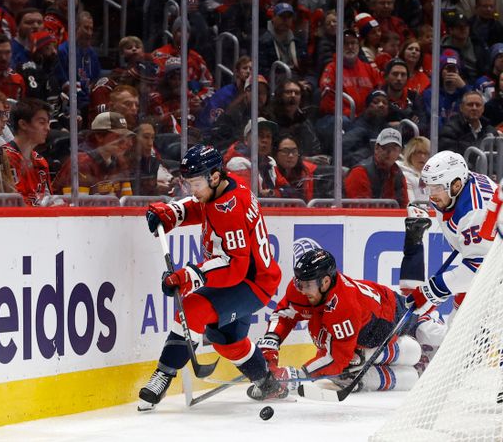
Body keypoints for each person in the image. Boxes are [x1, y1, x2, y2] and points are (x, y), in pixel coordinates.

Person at [137, 144, 283, 411]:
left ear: (214, 177)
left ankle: (162, 376)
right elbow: (202, 205)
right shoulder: (225, 187)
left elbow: (233, 266)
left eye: (195, 182)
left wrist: (188, 276)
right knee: (228, 342)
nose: (192, 189)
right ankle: (267, 381)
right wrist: (173, 213)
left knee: (191, 310)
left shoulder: (230, 208)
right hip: (246, 279)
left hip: (249, 283)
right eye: (188, 182)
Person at [255, 244, 444, 396]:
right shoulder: (303, 288)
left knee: (427, 332)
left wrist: (295, 376)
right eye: (299, 283)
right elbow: (283, 315)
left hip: (389, 316)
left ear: (326, 282)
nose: (302, 290)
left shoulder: (343, 306)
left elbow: (337, 360)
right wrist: (270, 347)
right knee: (346, 371)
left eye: (308, 285)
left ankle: (435, 330)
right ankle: (410, 367)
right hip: (363, 322)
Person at [407, 151, 498, 315]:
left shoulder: (475, 213)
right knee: (458, 316)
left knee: (469, 327)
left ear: (456, 185)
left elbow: (479, 271)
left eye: (436, 188)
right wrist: (437, 293)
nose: (432, 195)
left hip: (496, 275)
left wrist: (436, 289)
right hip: (492, 261)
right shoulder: (457, 189)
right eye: (429, 188)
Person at [53, 112, 134, 197]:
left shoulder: (120, 163)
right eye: (118, 137)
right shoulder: (81, 163)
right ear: (99, 137)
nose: (125, 142)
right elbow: (77, 207)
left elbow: (128, 202)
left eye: (125, 136)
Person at [3, 98, 52, 206]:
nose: (47, 128)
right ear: (23, 124)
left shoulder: (41, 162)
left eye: (48, 123)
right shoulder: (3, 157)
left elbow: (49, 201)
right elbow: (13, 204)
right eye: (42, 122)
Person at [344, 127, 409, 208]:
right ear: (376, 148)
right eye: (385, 147)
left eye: (394, 149)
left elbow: (404, 206)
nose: (389, 152)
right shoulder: (359, 172)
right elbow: (359, 208)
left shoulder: (398, 174)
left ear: (399, 152)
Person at [398, 136, 431, 204]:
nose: (423, 156)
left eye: (426, 153)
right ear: (410, 154)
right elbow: (411, 204)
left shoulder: (433, 176)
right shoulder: (404, 175)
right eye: (419, 152)